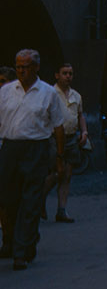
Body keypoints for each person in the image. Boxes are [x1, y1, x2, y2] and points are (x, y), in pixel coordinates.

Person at [0, 49, 66, 270]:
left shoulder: (48, 93)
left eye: (26, 67)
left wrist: (59, 157)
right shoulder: (6, 92)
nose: (21, 71)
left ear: (36, 67)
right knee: (9, 200)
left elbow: (58, 127)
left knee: (30, 201)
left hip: (36, 149)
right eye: (18, 66)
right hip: (10, 149)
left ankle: (20, 252)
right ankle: (24, 241)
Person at [43, 63, 88, 223]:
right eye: (64, 73)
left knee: (67, 175)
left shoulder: (76, 95)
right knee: (56, 173)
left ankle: (61, 210)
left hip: (71, 138)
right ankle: (40, 199)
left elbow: (80, 115)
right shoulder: (50, 93)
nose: (68, 76)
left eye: (70, 73)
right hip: (54, 138)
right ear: (57, 75)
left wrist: (84, 132)